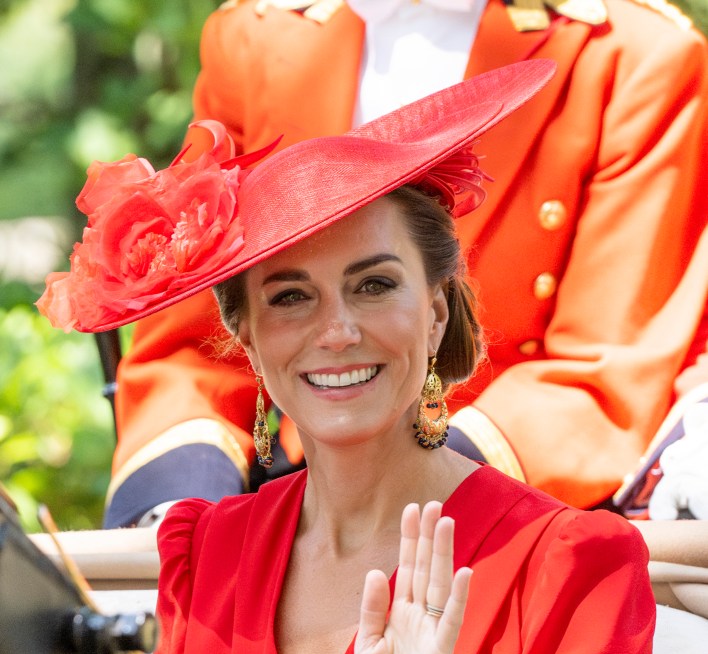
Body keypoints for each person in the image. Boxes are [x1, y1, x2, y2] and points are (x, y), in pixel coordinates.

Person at [37, 65, 656, 654]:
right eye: (291, 297)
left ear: (438, 311)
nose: (338, 331)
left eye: (375, 284)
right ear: (247, 338)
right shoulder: (204, 552)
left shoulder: (572, 565)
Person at [103, 0, 708, 528]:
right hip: (282, 499)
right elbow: (195, 345)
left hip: (510, 508)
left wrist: (412, 502)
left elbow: (603, 368)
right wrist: (177, 516)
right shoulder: (255, 40)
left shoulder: (634, 54)